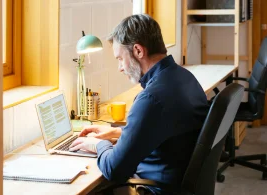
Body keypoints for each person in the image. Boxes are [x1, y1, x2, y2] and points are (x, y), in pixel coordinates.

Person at [69, 14, 209, 195]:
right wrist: (118, 133)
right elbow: (169, 130)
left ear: (138, 51)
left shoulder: (151, 99)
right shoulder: (184, 77)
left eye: (120, 58)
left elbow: (115, 170)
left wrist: (97, 145)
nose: (120, 67)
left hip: (156, 188)